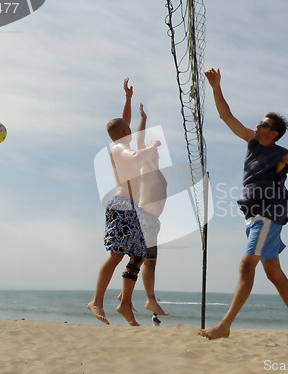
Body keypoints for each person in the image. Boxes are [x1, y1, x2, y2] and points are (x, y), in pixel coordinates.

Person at [199, 68, 288, 350]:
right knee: (273, 272)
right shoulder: (253, 141)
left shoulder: (282, 154)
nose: (257, 126)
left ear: (274, 133)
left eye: (263, 125)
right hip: (254, 216)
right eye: (258, 123)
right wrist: (216, 87)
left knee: (247, 265)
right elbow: (226, 116)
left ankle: (225, 325)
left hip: (268, 214)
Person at [87, 79, 161, 326]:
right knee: (116, 255)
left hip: (132, 209)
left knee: (138, 255)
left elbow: (122, 125)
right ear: (123, 134)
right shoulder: (120, 148)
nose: (132, 131)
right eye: (128, 130)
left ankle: (125, 303)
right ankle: (96, 301)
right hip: (121, 206)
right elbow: (136, 156)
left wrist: (127, 98)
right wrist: (151, 148)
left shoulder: (120, 139)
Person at [117, 78, 169, 317]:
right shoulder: (147, 162)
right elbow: (138, 142)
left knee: (146, 261)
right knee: (147, 261)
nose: (154, 147)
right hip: (145, 216)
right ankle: (149, 299)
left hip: (151, 219)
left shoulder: (156, 166)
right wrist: (144, 121)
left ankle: (125, 296)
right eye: (152, 146)